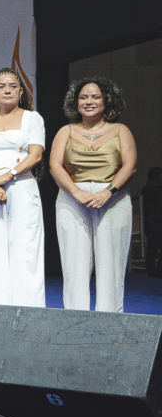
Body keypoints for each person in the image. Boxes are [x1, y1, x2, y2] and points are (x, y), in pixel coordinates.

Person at [49, 77, 137, 312]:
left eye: (95, 96)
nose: (89, 102)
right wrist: (76, 192)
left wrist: (107, 193)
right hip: (72, 199)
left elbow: (130, 166)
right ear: (75, 102)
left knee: (111, 264)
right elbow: (55, 166)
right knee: (74, 264)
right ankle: (75, 320)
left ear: (107, 100)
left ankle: (108, 322)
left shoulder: (121, 130)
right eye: (83, 97)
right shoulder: (65, 131)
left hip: (112, 199)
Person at [0, 68, 46, 331]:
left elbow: (35, 156)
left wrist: (8, 176)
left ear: (21, 91)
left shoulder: (32, 119)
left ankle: (29, 319)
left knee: (26, 251)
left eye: (13, 86)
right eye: (1, 86)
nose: (7, 90)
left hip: (23, 187)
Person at [142, 167, 162, 278]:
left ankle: (158, 270)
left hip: (157, 221)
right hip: (153, 222)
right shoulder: (149, 190)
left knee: (154, 248)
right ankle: (151, 272)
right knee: (153, 248)